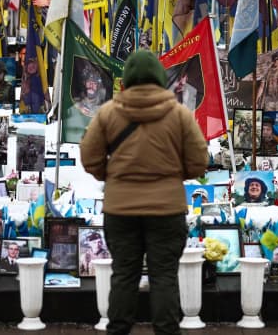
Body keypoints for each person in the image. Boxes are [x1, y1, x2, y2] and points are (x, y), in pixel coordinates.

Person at [79, 49, 208, 335]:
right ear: (160, 79)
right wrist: (172, 176)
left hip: (120, 210)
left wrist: (111, 176)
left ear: (125, 80)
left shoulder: (107, 113)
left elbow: (89, 156)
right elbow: (199, 161)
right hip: (167, 210)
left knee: (124, 276)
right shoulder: (179, 114)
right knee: (164, 277)